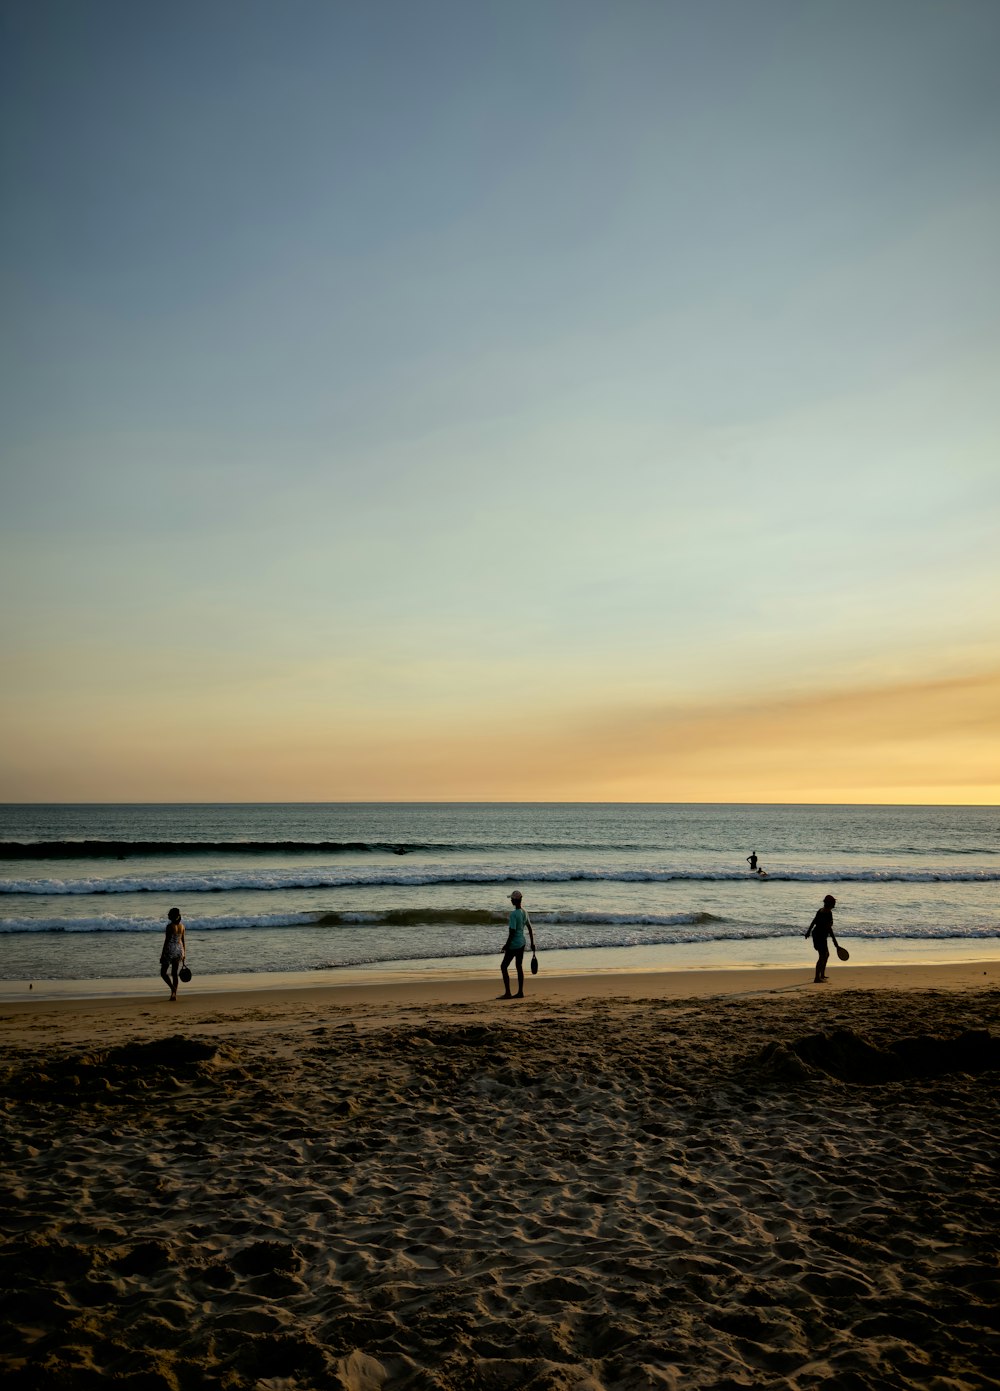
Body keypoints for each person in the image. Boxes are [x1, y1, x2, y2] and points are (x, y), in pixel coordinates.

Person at [499, 890, 536, 1000]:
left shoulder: (513, 914)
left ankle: (508, 993)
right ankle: (520, 992)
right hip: (522, 943)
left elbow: (512, 932)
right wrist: (532, 943)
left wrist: (506, 945)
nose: (510, 900)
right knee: (519, 966)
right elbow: (529, 928)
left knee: (503, 966)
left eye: (512, 899)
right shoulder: (524, 912)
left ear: (515, 900)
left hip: (514, 944)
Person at [805, 894, 839, 983]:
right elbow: (829, 928)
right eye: (833, 902)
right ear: (830, 903)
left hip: (818, 935)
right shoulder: (828, 913)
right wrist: (835, 941)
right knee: (822, 956)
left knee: (826, 955)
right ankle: (817, 978)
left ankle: (822, 975)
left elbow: (814, 921)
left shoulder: (820, 910)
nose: (835, 903)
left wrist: (808, 932)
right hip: (820, 936)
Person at [160, 907, 187, 1001]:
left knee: (163, 973)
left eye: (169, 914)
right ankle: (173, 995)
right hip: (179, 950)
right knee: (174, 974)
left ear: (172, 916)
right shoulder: (182, 926)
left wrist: (162, 954)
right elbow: (183, 941)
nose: (168, 915)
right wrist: (184, 954)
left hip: (170, 949)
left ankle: (173, 989)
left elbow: (167, 941)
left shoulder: (170, 926)